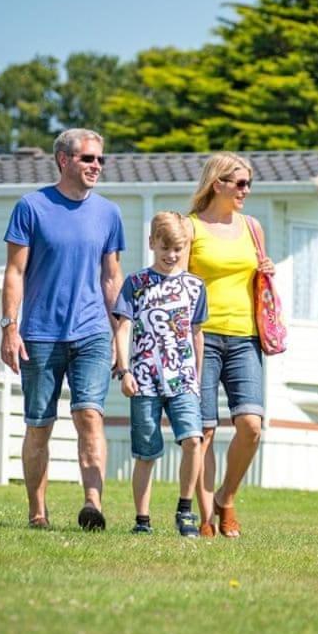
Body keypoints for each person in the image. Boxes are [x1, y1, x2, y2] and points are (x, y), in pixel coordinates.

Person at [0, 128, 125, 530]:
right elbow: (15, 272)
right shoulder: (31, 207)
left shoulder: (109, 213)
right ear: (64, 160)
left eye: (100, 160)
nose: (96, 166)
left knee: (90, 415)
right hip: (39, 334)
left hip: (90, 332)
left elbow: (111, 278)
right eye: (88, 158)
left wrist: (120, 335)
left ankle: (93, 503)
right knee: (39, 425)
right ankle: (38, 512)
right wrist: (9, 327)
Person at [186, 152, 275, 538]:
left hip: (245, 337)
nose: (246, 190)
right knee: (204, 431)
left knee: (251, 425)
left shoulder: (252, 227)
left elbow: (258, 279)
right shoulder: (190, 228)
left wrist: (267, 272)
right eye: (239, 183)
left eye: (249, 183)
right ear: (216, 183)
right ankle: (206, 517)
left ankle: (227, 497)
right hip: (201, 336)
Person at [112, 212, 208, 537]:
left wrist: (196, 376)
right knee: (147, 451)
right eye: (165, 247)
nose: (171, 255)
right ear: (152, 242)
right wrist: (124, 369)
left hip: (182, 379)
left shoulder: (195, 287)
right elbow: (123, 327)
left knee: (193, 440)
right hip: (144, 379)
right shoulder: (136, 284)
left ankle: (185, 510)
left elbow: (197, 334)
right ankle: (142, 520)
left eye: (178, 249)